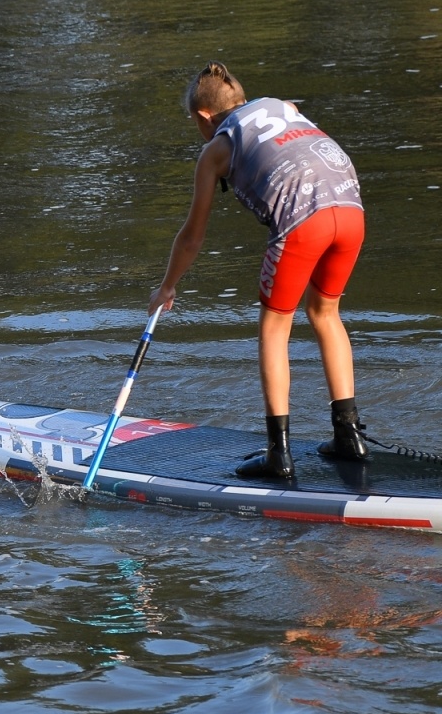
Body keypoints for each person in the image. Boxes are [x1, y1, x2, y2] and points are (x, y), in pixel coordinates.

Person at [150, 61, 367, 480]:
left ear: (203, 117)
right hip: (351, 209)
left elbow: (192, 237)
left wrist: (166, 288)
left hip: (305, 221)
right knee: (325, 314)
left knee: (274, 326)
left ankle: (277, 455)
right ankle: (349, 437)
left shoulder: (216, 147)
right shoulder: (282, 105)